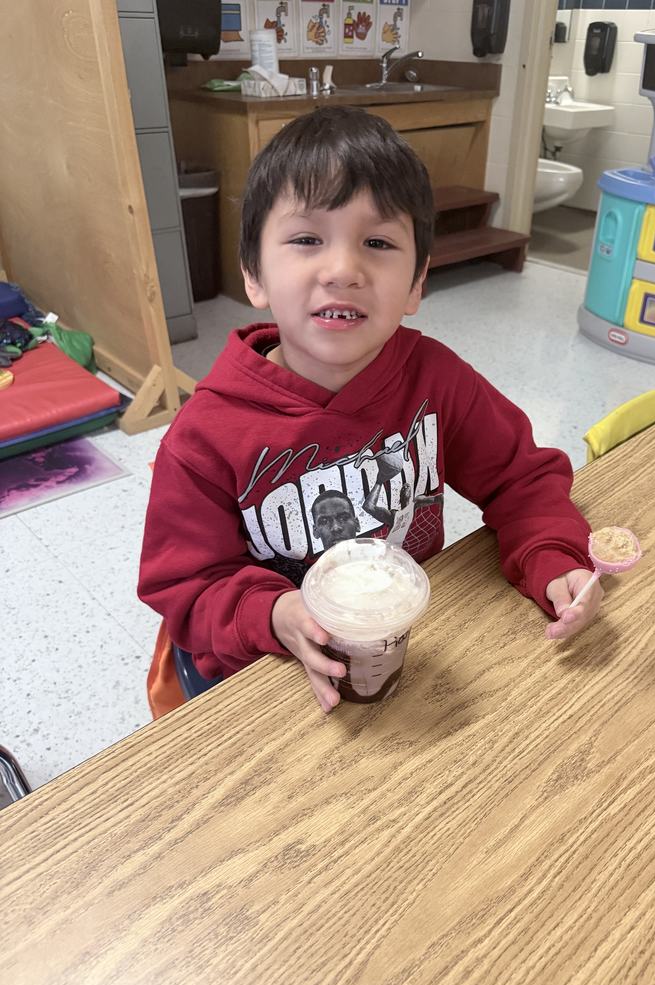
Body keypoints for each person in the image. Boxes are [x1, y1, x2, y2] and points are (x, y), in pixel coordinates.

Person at [138, 105, 603, 719]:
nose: (343, 270)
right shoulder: (206, 435)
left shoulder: (435, 377)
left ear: (416, 284)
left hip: (398, 657)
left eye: (378, 243)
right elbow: (186, 585)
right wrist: (274, 613)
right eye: (306, 239)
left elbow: (521, 476)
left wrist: (550, 556)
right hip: (261, 675)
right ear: (255, 274)